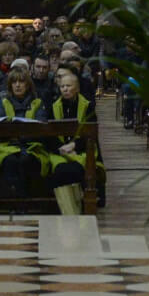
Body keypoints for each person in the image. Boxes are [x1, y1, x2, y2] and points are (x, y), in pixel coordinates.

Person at [45, 68, 104, 213]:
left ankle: (76, 208)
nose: (65, 89)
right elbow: (49, 134)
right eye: (62, 86)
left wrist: (73, 145)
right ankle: (68, 210)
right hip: (59, 152)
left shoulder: (87, 106)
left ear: (77, 88)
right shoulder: (53, 107)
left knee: (77, 169)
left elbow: (91, 134)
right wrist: (61, 148)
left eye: (68, 86)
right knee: (60, 170)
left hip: (81, 151)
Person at [0, 67, 50, 202]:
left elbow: (40, 126)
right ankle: (9, 201)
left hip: (31, 146)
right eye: (14, 82)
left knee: (26, 160)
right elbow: (0, 125)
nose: (17, 85)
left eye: (21, 82)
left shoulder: (37, 102)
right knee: (10, 160)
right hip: (7, 146)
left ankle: (26, 201)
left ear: (28, 85)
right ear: (10, 85)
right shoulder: (3, 102)